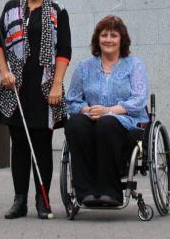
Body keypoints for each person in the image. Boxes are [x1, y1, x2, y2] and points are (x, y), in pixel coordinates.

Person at [0, 0, 71, 219]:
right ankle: (19, 200)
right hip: (15, 87)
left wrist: (57, 84)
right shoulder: (11, 8)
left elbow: (64, 51)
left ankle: (43, 199)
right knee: (19, 145)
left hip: (45, 87)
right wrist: (4, 71)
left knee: (41, 143)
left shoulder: (57, 11)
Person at [65, 15, 149, 207]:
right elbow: (72, 101)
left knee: (107, 123)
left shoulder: (135, 65)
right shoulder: (84, 67)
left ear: (122, 40)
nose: (108, 39)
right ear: (97, 39)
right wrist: (88, 110)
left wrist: (108, 111)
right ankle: (85, 193)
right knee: (75, 124)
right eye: (104, 35)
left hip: (127, 122)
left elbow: (138, 101)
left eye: (113, 35)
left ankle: (109, 192)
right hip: (93, 117)